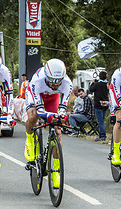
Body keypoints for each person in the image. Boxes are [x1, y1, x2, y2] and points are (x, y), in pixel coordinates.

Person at [24, 58, 72, 188]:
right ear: (47, 76)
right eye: (52, 81)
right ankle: (29, 140)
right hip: (36, 97)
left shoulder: (67, 83)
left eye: (58, 81)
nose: (55, 84)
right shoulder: (37, 80)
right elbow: (40, 110)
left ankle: (56, 171)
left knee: (57, 129)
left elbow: (62, 108)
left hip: (52, 98)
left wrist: (61, 116)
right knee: (33, 116)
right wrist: (47, 115)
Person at [89, 71, 109, 141]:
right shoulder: (107, 84)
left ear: (99, 76)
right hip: (105, 104)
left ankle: (102, 136)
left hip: (98, 104)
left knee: (100, 121)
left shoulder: (97, 84)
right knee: (102, 120)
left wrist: (93, 82)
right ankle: (101, 134)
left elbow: (91, 89)